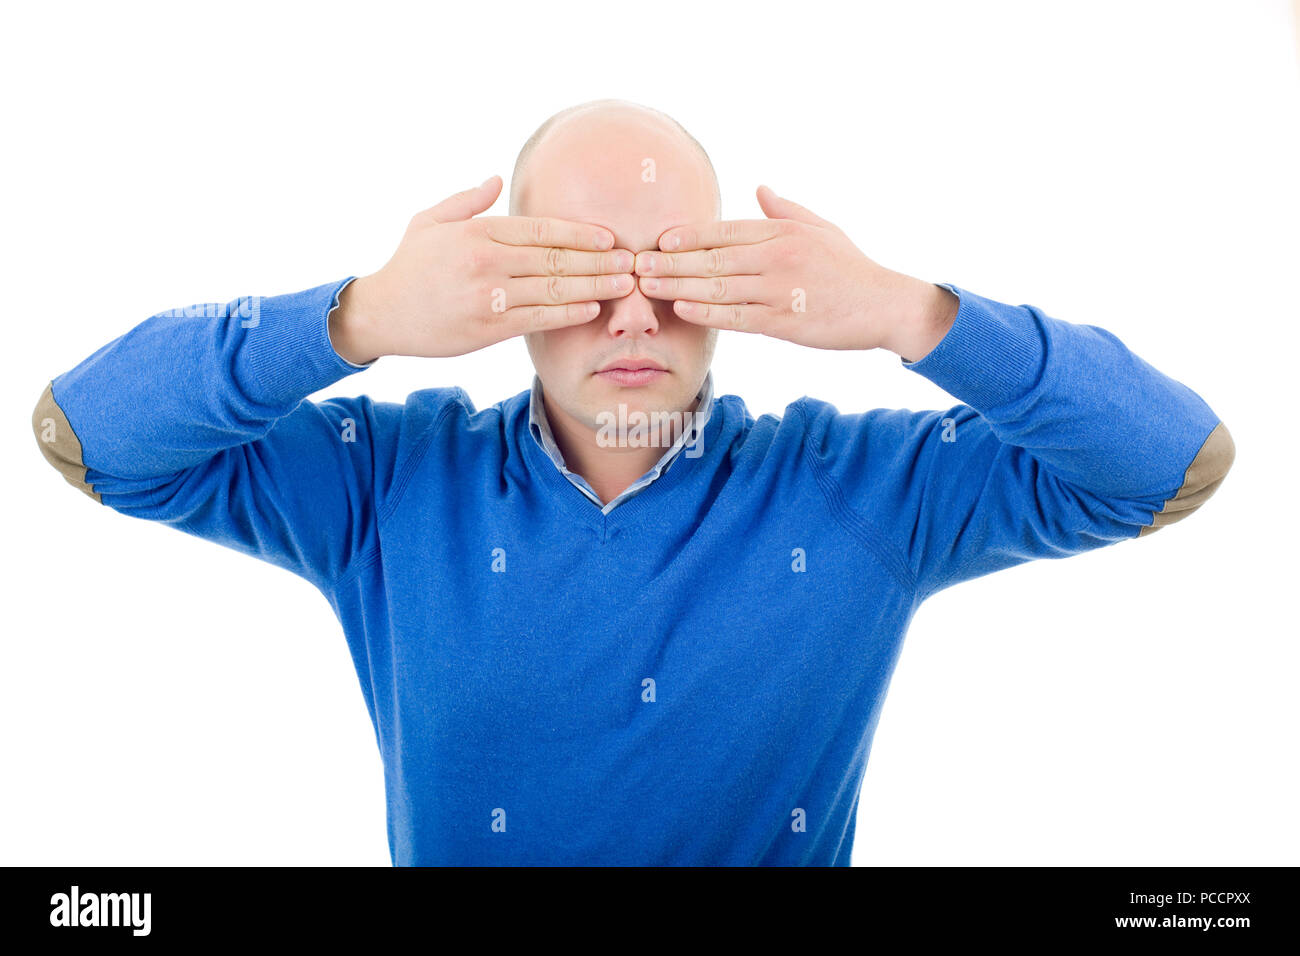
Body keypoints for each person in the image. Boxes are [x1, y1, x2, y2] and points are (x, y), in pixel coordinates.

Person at [31, 98, 1235, 866]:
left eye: (673, 264)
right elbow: (89, 431)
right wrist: (353, 318)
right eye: (572, 265)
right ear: (499, 277)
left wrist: (912, 314)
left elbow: (1171, 461)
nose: (630, 312)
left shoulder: (859, 489)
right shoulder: (384, 481)